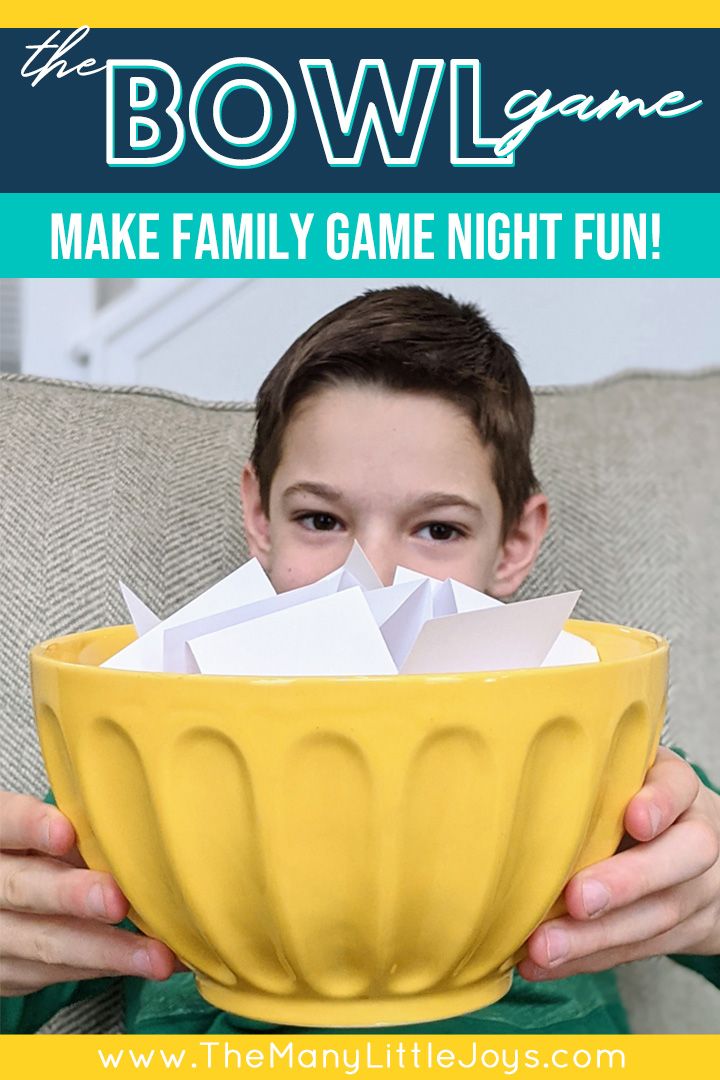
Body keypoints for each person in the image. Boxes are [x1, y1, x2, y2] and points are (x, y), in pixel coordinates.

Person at [2, 286, 719, 1035]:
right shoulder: (143, 781)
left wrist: (709, 910)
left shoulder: (606, 773)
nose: (369, 580)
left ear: (514, 544)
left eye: (437, 530)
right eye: (320, 520)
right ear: (260, 519)